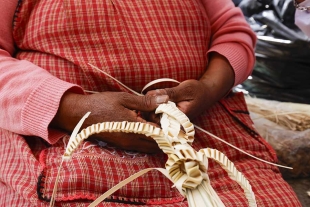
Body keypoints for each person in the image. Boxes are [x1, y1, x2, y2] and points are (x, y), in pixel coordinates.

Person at [0, 0, 301, 206]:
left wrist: (210, 87)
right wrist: (74, 109)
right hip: (71, 144)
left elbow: (233, 34)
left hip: (205, 133)